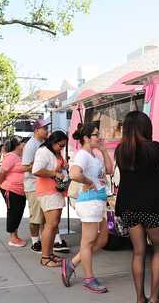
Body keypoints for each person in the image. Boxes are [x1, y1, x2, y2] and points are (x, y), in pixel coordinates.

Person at [114, 111, 159, 303]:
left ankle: (140, 299)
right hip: (151, 208)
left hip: (129, 209)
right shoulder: (153, 148)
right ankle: (155, 298)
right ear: (145, 128)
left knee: (138, 252)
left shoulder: (121, 150)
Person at [63, 123, 113, 293]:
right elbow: (74, 173)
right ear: (86, 138)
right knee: (88, 242)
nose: (98, 137)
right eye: (95, 134)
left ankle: (72, 263)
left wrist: (104, 150)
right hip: (90, 202)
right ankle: (89, 279)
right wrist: (88, 181)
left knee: (103, 239)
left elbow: (109, 170)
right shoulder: (83, 154)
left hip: (99, 201)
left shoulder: (94, 155)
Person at [22, 118, 68, 253]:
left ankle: (52, 246)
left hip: (53, 189)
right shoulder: (35, 147)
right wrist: (53, 172)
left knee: (51, 223)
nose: (47, 131)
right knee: (41, 219)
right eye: (44, 128)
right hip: (38, 187)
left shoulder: (49, 148)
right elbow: (31, 168)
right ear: (36, 130)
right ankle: (39, 245)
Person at [32, 130, 69, 267]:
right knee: (51, 224)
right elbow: (36, 170)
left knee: (54, 224)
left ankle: (50, 253)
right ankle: (45, 257)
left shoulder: (54, 152)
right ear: (53, 142)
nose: (62, 148)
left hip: (55, 191)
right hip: (48, 192)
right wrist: (54, 173)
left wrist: (63, 167)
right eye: (60, 145)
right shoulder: (43, 151)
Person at [0, 136, 28, 247]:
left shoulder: (19, 157)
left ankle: (15, 235)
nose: (24, 145)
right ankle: (12, 238)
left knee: (18, 212)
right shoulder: (11, 157)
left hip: (19, 190)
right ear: (18, 145)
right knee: (13, 212)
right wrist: (0, 184)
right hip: (11, 189)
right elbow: (2, 171)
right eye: (22, 143)